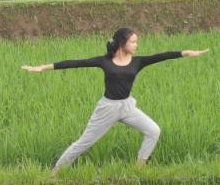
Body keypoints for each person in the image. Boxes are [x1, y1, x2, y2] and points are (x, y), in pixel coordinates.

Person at [22, 27, 209, 174]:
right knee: (84, 143)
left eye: (136, 42)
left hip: (127, 106)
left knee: (153, 130)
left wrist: (185, 52)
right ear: (122, 42)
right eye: (133, 41)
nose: (136, 45)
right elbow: (74, 63)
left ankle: (139, 168)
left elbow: (161, 56)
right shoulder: (105, 61)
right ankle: (55, 173)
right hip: (107, 108)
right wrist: (43, 67)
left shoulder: (138, 62)